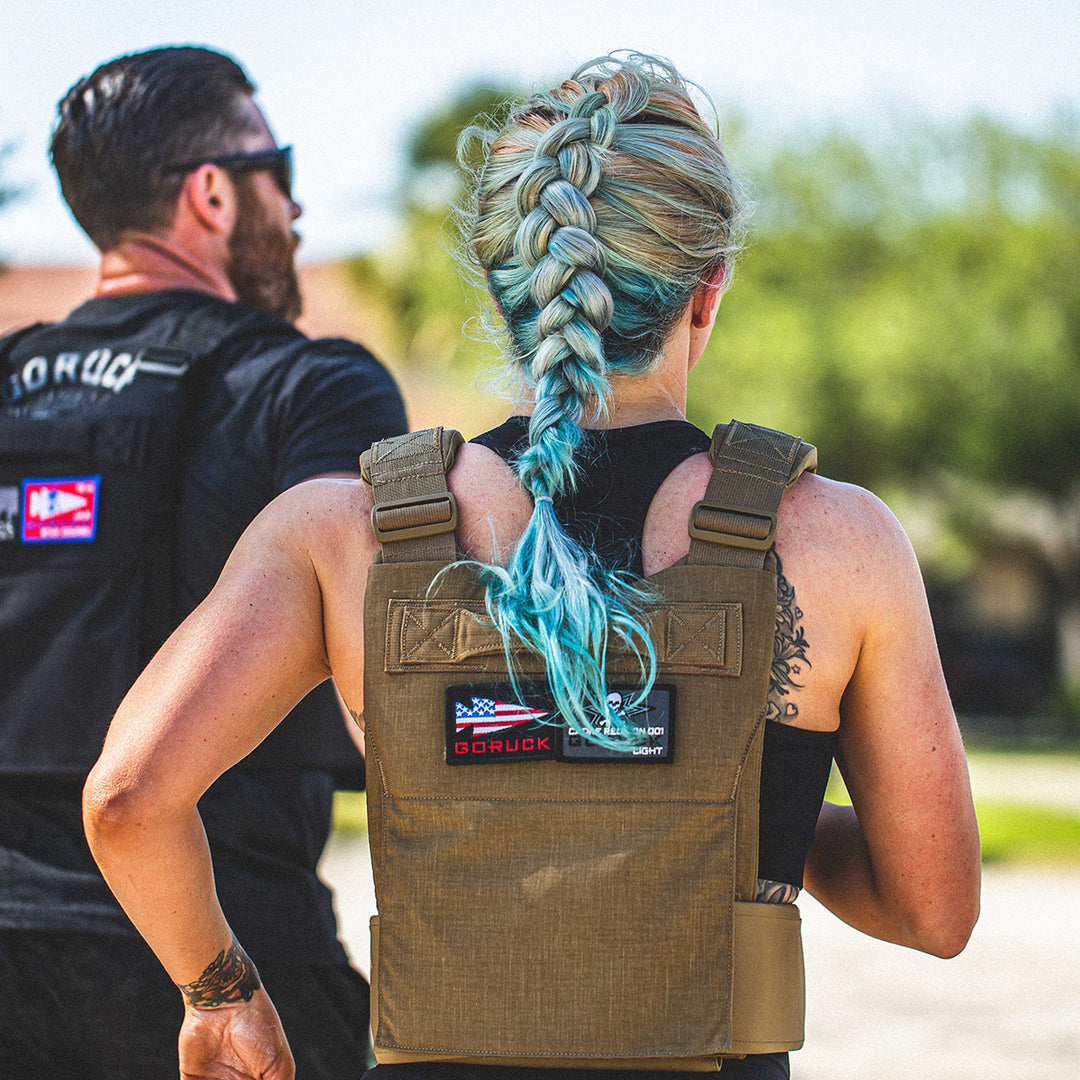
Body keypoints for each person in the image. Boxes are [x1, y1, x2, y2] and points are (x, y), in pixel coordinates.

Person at [83, 53, 980, 1080]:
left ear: (505, 277)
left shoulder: (342, 534)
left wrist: (220, 1000)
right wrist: (764, 808)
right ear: (708, 289)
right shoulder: (835, 542)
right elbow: (934, 910)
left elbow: (128, 798)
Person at [0, 46, 407, 1079]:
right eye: (282, 172)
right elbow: (393, 689)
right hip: (222, 960)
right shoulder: (312, 388)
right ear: (215, 193)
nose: (299, 210)